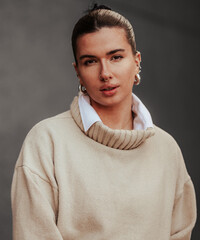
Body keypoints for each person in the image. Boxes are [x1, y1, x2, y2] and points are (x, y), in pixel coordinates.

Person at [11, 4, 197, 240]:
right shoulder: (47, 142)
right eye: (90, 61)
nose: (105, 73)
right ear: (78, 72)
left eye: (116, 57)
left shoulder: (167, 149)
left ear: (137, 61)